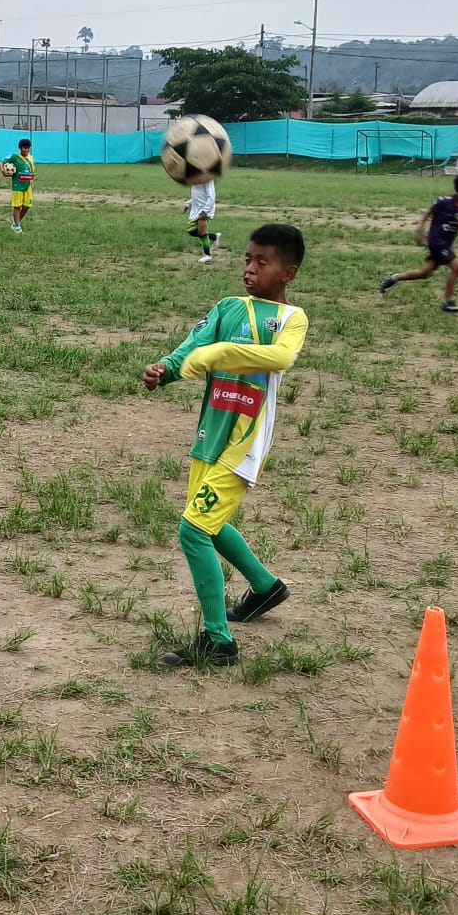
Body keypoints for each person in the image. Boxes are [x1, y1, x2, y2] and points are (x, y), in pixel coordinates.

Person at [141, 224, 310, 668]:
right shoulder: (227, 308)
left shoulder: (292, 319)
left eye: (262, 263)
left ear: (288, 273)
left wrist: (220, 354)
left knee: (193, 530)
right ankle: (266, 588)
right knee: (209, 523)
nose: (250, 269)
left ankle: (219, 642)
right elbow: (191, 348)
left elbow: (280, 358)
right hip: (209, 435)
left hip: (244, 442)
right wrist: (165, 369)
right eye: (247, 260)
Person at [379, 173, 458, 313]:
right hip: (436, 241)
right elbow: (429, 212)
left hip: (446, 243)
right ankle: (447, 302)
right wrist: (420, 230)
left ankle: (393, 278)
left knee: (424, 273)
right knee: (456, 268)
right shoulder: (444, 202)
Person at [184, 178, 220, 263]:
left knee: (201, 233)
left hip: (205, 210)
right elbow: (196, 196)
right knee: (192, 231)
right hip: (197, 210)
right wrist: (188, 204)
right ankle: (214, 237)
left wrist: (205, 211)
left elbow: (211, 197)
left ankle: (207, 255)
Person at [4, 139, 35, 232]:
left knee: (27, 206)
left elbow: (32, 171)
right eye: (25, 148)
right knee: (17, 206)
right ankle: (17, 227)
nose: (27, 150)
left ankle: (15, 223)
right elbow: (1, 162)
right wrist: (3, 171)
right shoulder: (15, 157)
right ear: (20, 148)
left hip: (28, 186)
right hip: (17, 186)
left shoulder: (31, 158)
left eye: (28, 148)